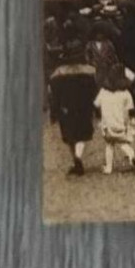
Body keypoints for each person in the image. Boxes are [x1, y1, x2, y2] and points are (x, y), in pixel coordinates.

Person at [47, 39, 98, 176]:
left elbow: (54, 95)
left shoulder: (58, 73)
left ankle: (75, 160)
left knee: (70, 135)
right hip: (84, 106)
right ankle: (78, 157)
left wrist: (54, 111)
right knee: (83, 133)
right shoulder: (89, 71)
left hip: (66, 107)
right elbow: (94, 91)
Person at [94, 65, 135, 174]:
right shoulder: (126, 94)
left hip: (107, 126)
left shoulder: (103, 92)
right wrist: (126, 125)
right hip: (120, 125)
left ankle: (108, 168)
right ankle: (132, 155)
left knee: (109, 144)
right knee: (124, 143)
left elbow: (96, 104)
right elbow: (128, 112)